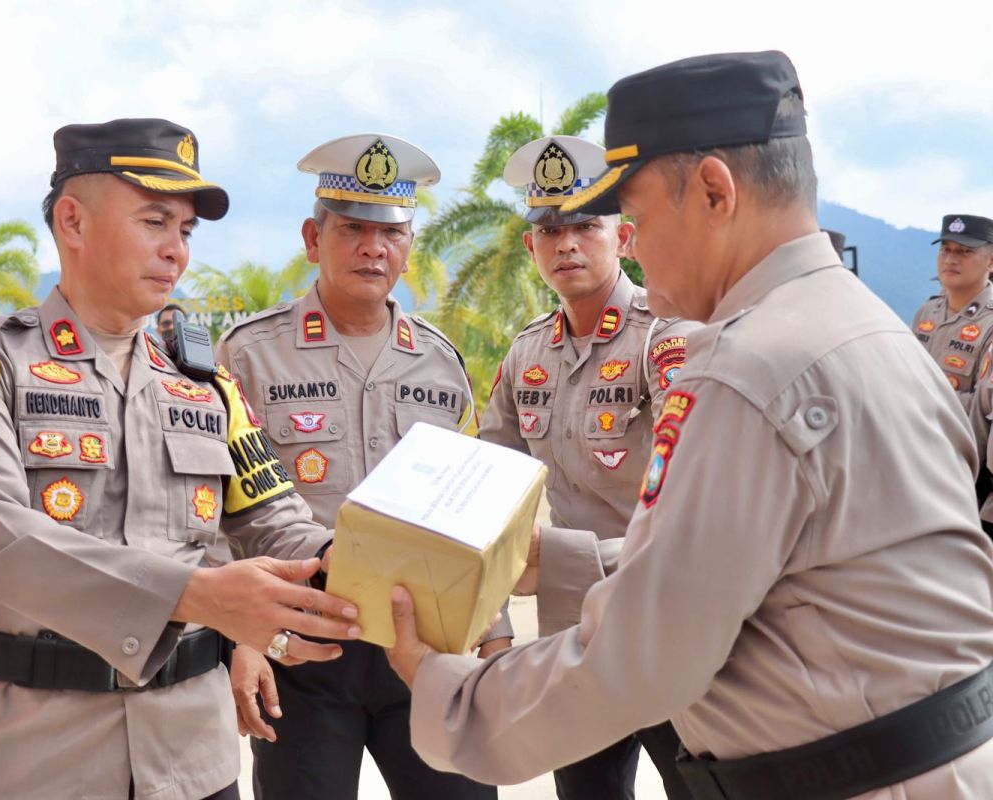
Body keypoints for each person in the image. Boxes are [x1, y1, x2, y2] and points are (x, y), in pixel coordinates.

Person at [386, 51, 993, 800]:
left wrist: (451, 691)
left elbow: (643, 658)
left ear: (713, 192)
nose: (630, 244)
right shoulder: (875, 331)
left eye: (633, 217)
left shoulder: (745, 367)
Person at [0, 118, 363, 800]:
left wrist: (367, 563)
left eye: (185, 231)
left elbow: (276, 520)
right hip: (30, 761)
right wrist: (197, 595)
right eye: (155, 221)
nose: (176, 250)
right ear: (73, 222)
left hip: (191, 763)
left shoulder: (205, 385)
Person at [215, 133, 499, 800]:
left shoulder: (439, 362)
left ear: (408, 247)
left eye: (390, 232)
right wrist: (242, 639)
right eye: (353, 229)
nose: (373, 247)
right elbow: (213, 508)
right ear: (314, 240)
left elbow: (475, 512)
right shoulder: (250, 355)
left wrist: (497, 633)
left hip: (425, 651)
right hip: (303, 649)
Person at [480, 134, 694, 800]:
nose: (567, 243)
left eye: (584, 225)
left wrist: (561, 561)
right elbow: (483, 493)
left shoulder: (667, 337)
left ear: (623, 237)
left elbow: (690, 502)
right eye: (549, 228)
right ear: (530, 247)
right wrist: (491, 627)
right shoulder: (525, 356)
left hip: (670, 626)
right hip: (575, 636)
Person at [910, 214, 993, 412]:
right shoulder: (927, 311)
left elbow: (984, 408)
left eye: (965, 251)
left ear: (990, 262)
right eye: (945, 249)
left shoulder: (989, 322)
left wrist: (919, 399)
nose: (950, 259)